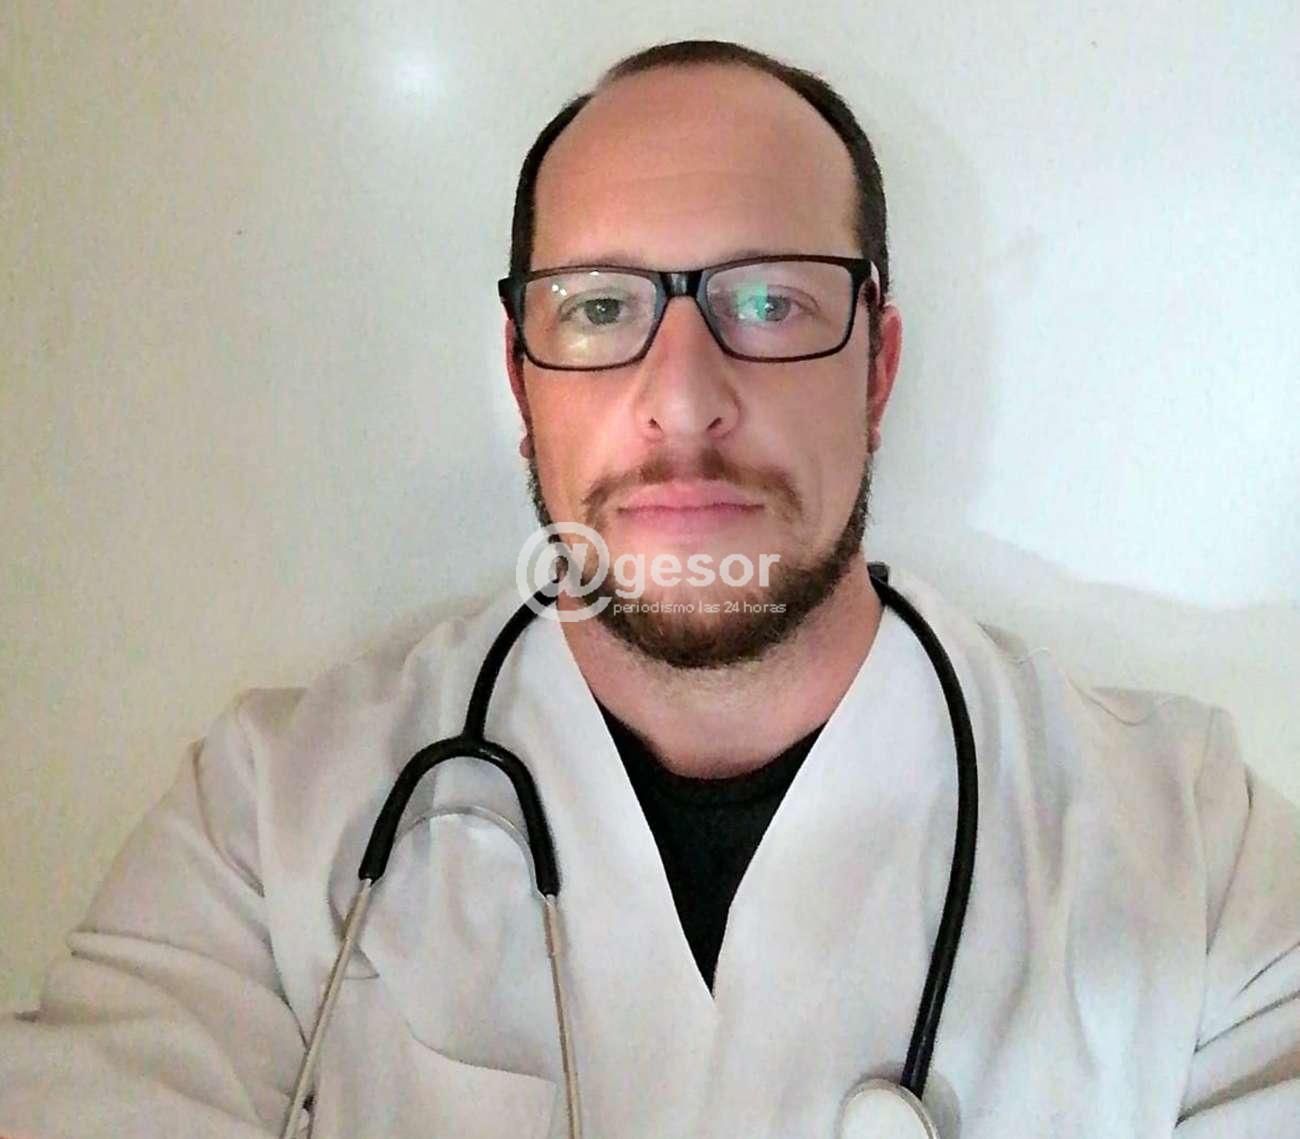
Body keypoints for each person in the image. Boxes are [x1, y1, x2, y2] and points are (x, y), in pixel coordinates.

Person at [2, 37, 1297, 1139]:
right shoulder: (266, 822)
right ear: (523, 382)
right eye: (599, 309)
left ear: (878, 369)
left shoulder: (1193, 851)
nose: (682, 396)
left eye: (772, 302)